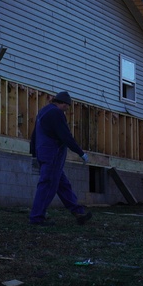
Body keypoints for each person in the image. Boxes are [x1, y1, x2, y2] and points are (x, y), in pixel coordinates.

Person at [28, 91, 93, 226]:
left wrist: (34, 153)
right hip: (53, 155)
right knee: (47, 186)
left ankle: (78, 212)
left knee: (63, 185)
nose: (67, 109)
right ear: (62, 103)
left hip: (44, 154)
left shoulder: (43, 112)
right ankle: (36, 217)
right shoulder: (56, 113)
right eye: (66, 106)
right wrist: (80, 153)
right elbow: (66, 136)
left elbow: (34, 134)